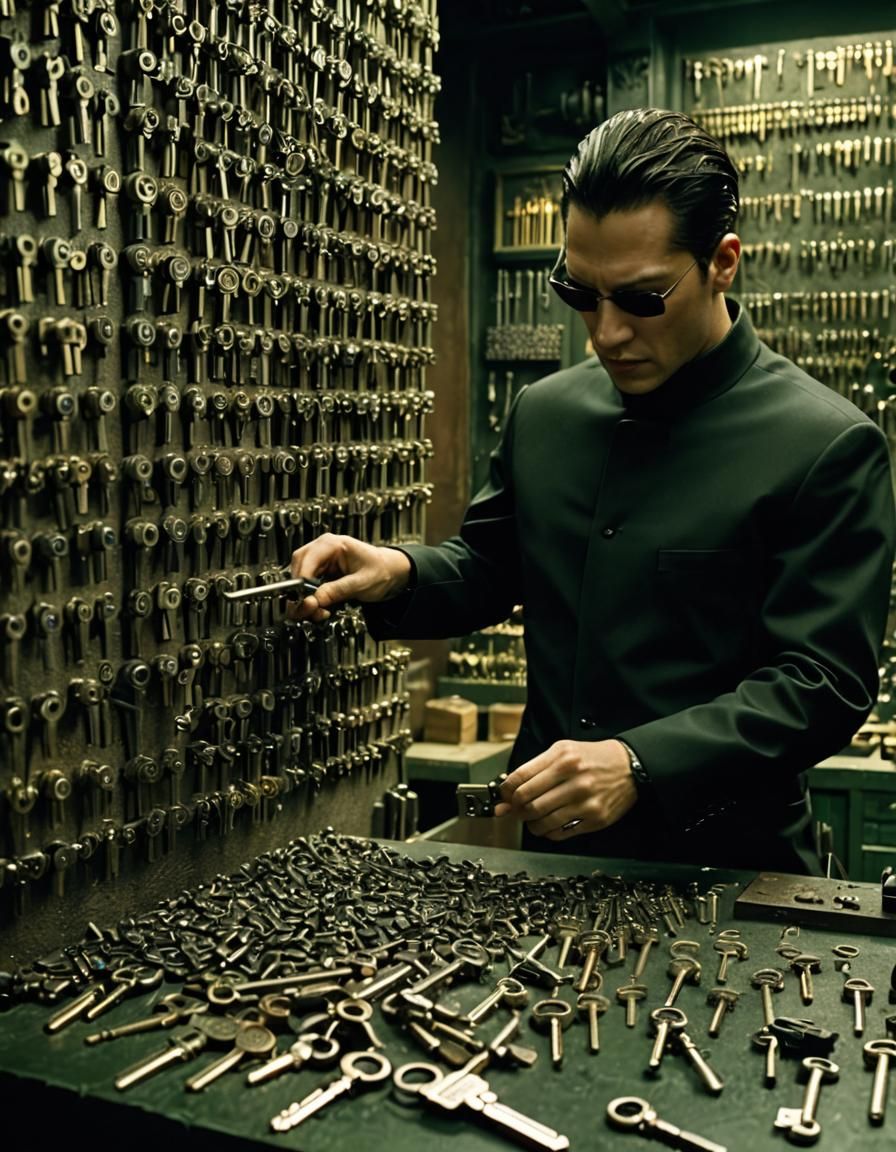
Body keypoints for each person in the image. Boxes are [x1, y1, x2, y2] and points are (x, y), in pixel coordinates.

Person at [288, 107, 896, 873]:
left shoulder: (826, 446)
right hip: (550, 864)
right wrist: (399, 572)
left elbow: (822, 684)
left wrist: (641, 763)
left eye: (641, 299)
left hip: (732, 873)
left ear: (723, 263)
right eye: (580, 293)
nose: (606, 333)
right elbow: (491, 566)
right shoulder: (545, 414)